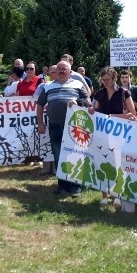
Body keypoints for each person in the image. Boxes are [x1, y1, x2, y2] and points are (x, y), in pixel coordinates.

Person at [36, 60, 90, 197]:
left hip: (74, 127)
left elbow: (88, 102)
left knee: (75, 155)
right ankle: (62, 185)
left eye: (64, 68)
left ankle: (75, 186)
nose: (61, 71)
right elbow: (40, 105)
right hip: (55, 125)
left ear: (69, 71)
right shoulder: (47, 86)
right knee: (58, 155)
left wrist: (77, 102)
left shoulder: (77, 84)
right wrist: (40, 123)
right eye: (59, 68)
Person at [88, 67, 136, 207]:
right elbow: (95, 108)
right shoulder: (99, 93)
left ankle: (116, 195)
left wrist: (114, 117)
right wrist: (92, 109)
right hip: (102, 133)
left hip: (119, 133)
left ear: (114, 78)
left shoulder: (124, 93)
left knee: (117, 163)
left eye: (108, 80)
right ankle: (104, 195)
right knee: (102, 161)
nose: (105, 82)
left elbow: (132, 114)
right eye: (103, 80)